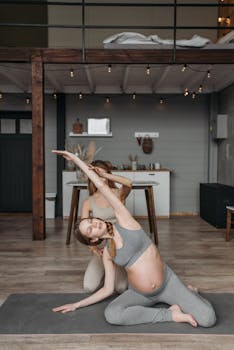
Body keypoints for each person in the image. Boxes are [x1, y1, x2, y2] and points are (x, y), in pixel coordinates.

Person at [52, 150, 216, 328]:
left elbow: (102, 186)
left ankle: (189, 293)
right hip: (140, 294)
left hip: (167, 284)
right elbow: (107, 289)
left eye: (92, 221)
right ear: (92, 240)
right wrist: (76, 304)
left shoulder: (124, 220)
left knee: (208, 319)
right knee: (112, 314)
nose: (94, 224)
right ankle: (171, 314)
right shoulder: (107, 252)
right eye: (89, 229)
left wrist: (76, 159)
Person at [81, 159, 131, 293]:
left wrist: (104, 175)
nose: (99, 178)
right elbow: (84, 233)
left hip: (121, 246)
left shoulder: (118, 194)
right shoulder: (88, 202)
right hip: (104, 248)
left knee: (121, 288)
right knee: (88, 287)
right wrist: (94, 249)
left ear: (108, 175)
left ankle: (113, 273)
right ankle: (107, 272)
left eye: (101, 174)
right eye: (95, 175)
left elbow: (128, 183)